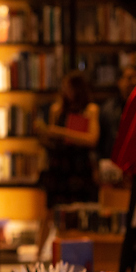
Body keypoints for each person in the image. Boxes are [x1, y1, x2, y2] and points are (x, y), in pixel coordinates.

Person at [36, 71, 100, 208]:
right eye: (64, 87)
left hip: (80, 165)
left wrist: (60, 132)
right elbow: (52, 141)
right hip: (59, 166)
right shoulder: (57, 109)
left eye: (69, 88)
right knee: (56, 209)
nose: (66, 91)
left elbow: (92, 139)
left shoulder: (90, 109)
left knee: (81, 208)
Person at [98, 63, 136, 160]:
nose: (135, 82)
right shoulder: (108, 109)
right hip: (113, 163)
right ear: (119, 82)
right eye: (130, 78)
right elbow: (102, 142)